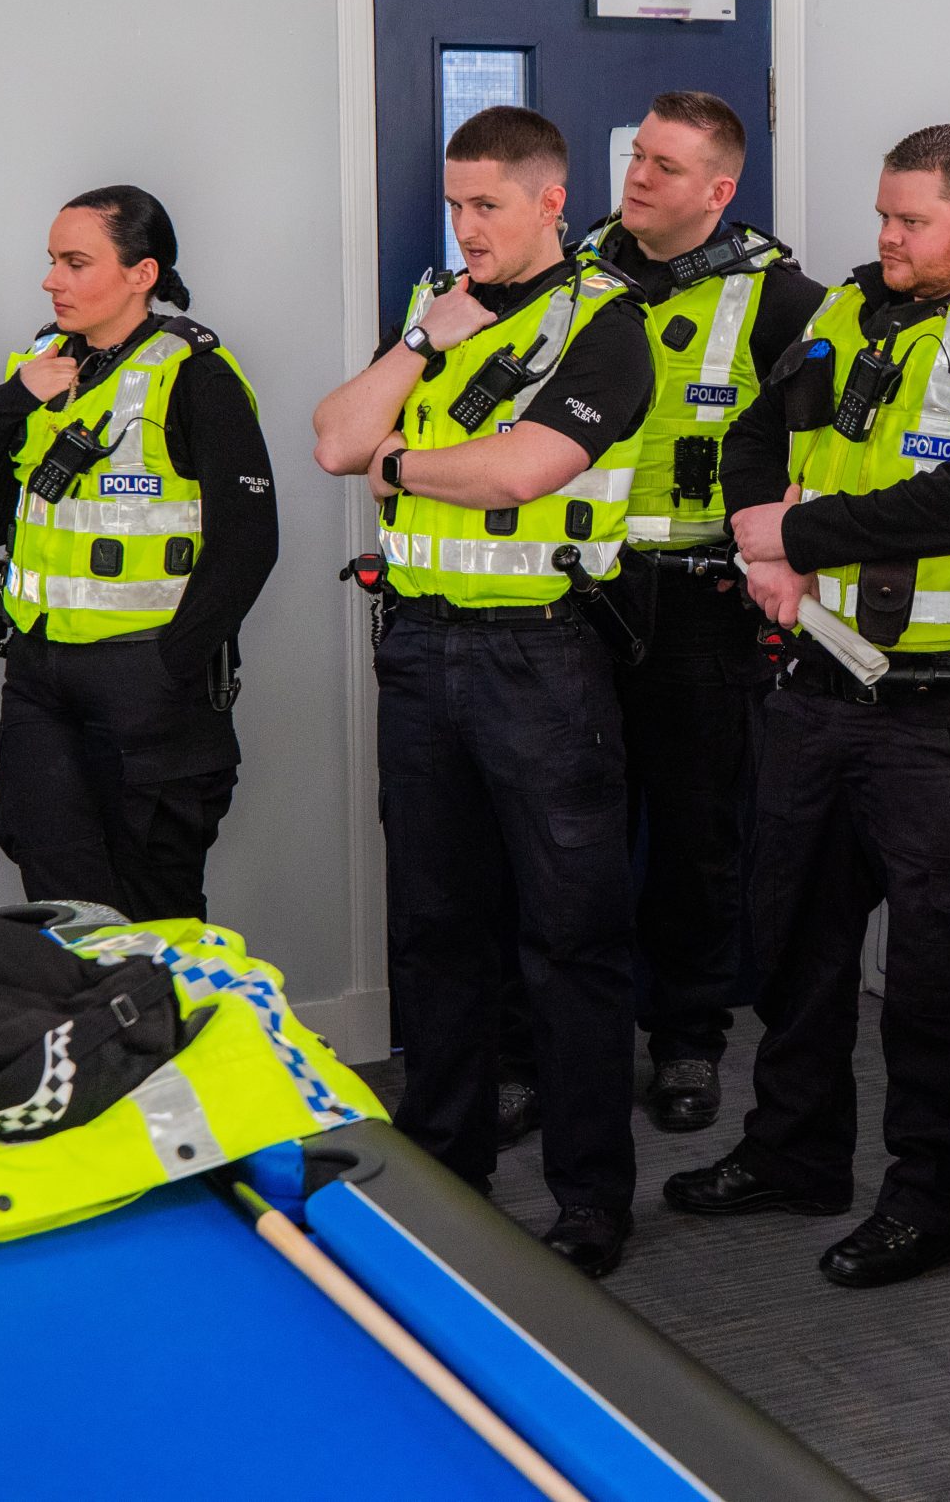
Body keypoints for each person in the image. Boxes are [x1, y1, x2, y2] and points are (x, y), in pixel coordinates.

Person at [664, 124, 950, 1289]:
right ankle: (793, 1155)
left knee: (940, 979)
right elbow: (757, 436)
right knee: (796, 947)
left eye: (907, 221)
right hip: (816, 687)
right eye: (882, 215)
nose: (885, 238)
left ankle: (937, 1201)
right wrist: (765, 550)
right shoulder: (847, 310)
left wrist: (798, 533)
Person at [312, 105, 654, 1278]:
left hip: (543, 662)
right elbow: (328, 440)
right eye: (454, 205)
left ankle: (591, 1196)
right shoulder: (436, 310)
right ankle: (441, 1172)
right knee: (435, 928)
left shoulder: (607, 322)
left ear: (550, 202)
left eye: (487, 206)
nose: (465, 227)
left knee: (572, 940)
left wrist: (399, 464)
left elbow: (524, 465)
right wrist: (421, 342)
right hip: (419, 654)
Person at [565, 90, 827, 1134]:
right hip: (574, 596)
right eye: (636, 157)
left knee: (693, 840)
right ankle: (563, 1044)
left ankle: (686, 1041)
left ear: (718, 190)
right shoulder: (565, 277)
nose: (637, 178)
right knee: (565, 838)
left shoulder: (783, 301)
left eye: (666, 167)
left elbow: (817, 456)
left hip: (704, 606)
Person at [0, 185, 276, 919]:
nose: (51, 280)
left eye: (75, 261)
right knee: (64, 901)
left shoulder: (195, 373)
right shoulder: (38, 366)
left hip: (148, 683)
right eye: (51, 261)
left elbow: (250, 544)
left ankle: (163, 1034)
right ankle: (83, 1034)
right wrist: (7, 401)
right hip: (39, 676)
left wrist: (171, 665)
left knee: (153, 907)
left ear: (141, 273)